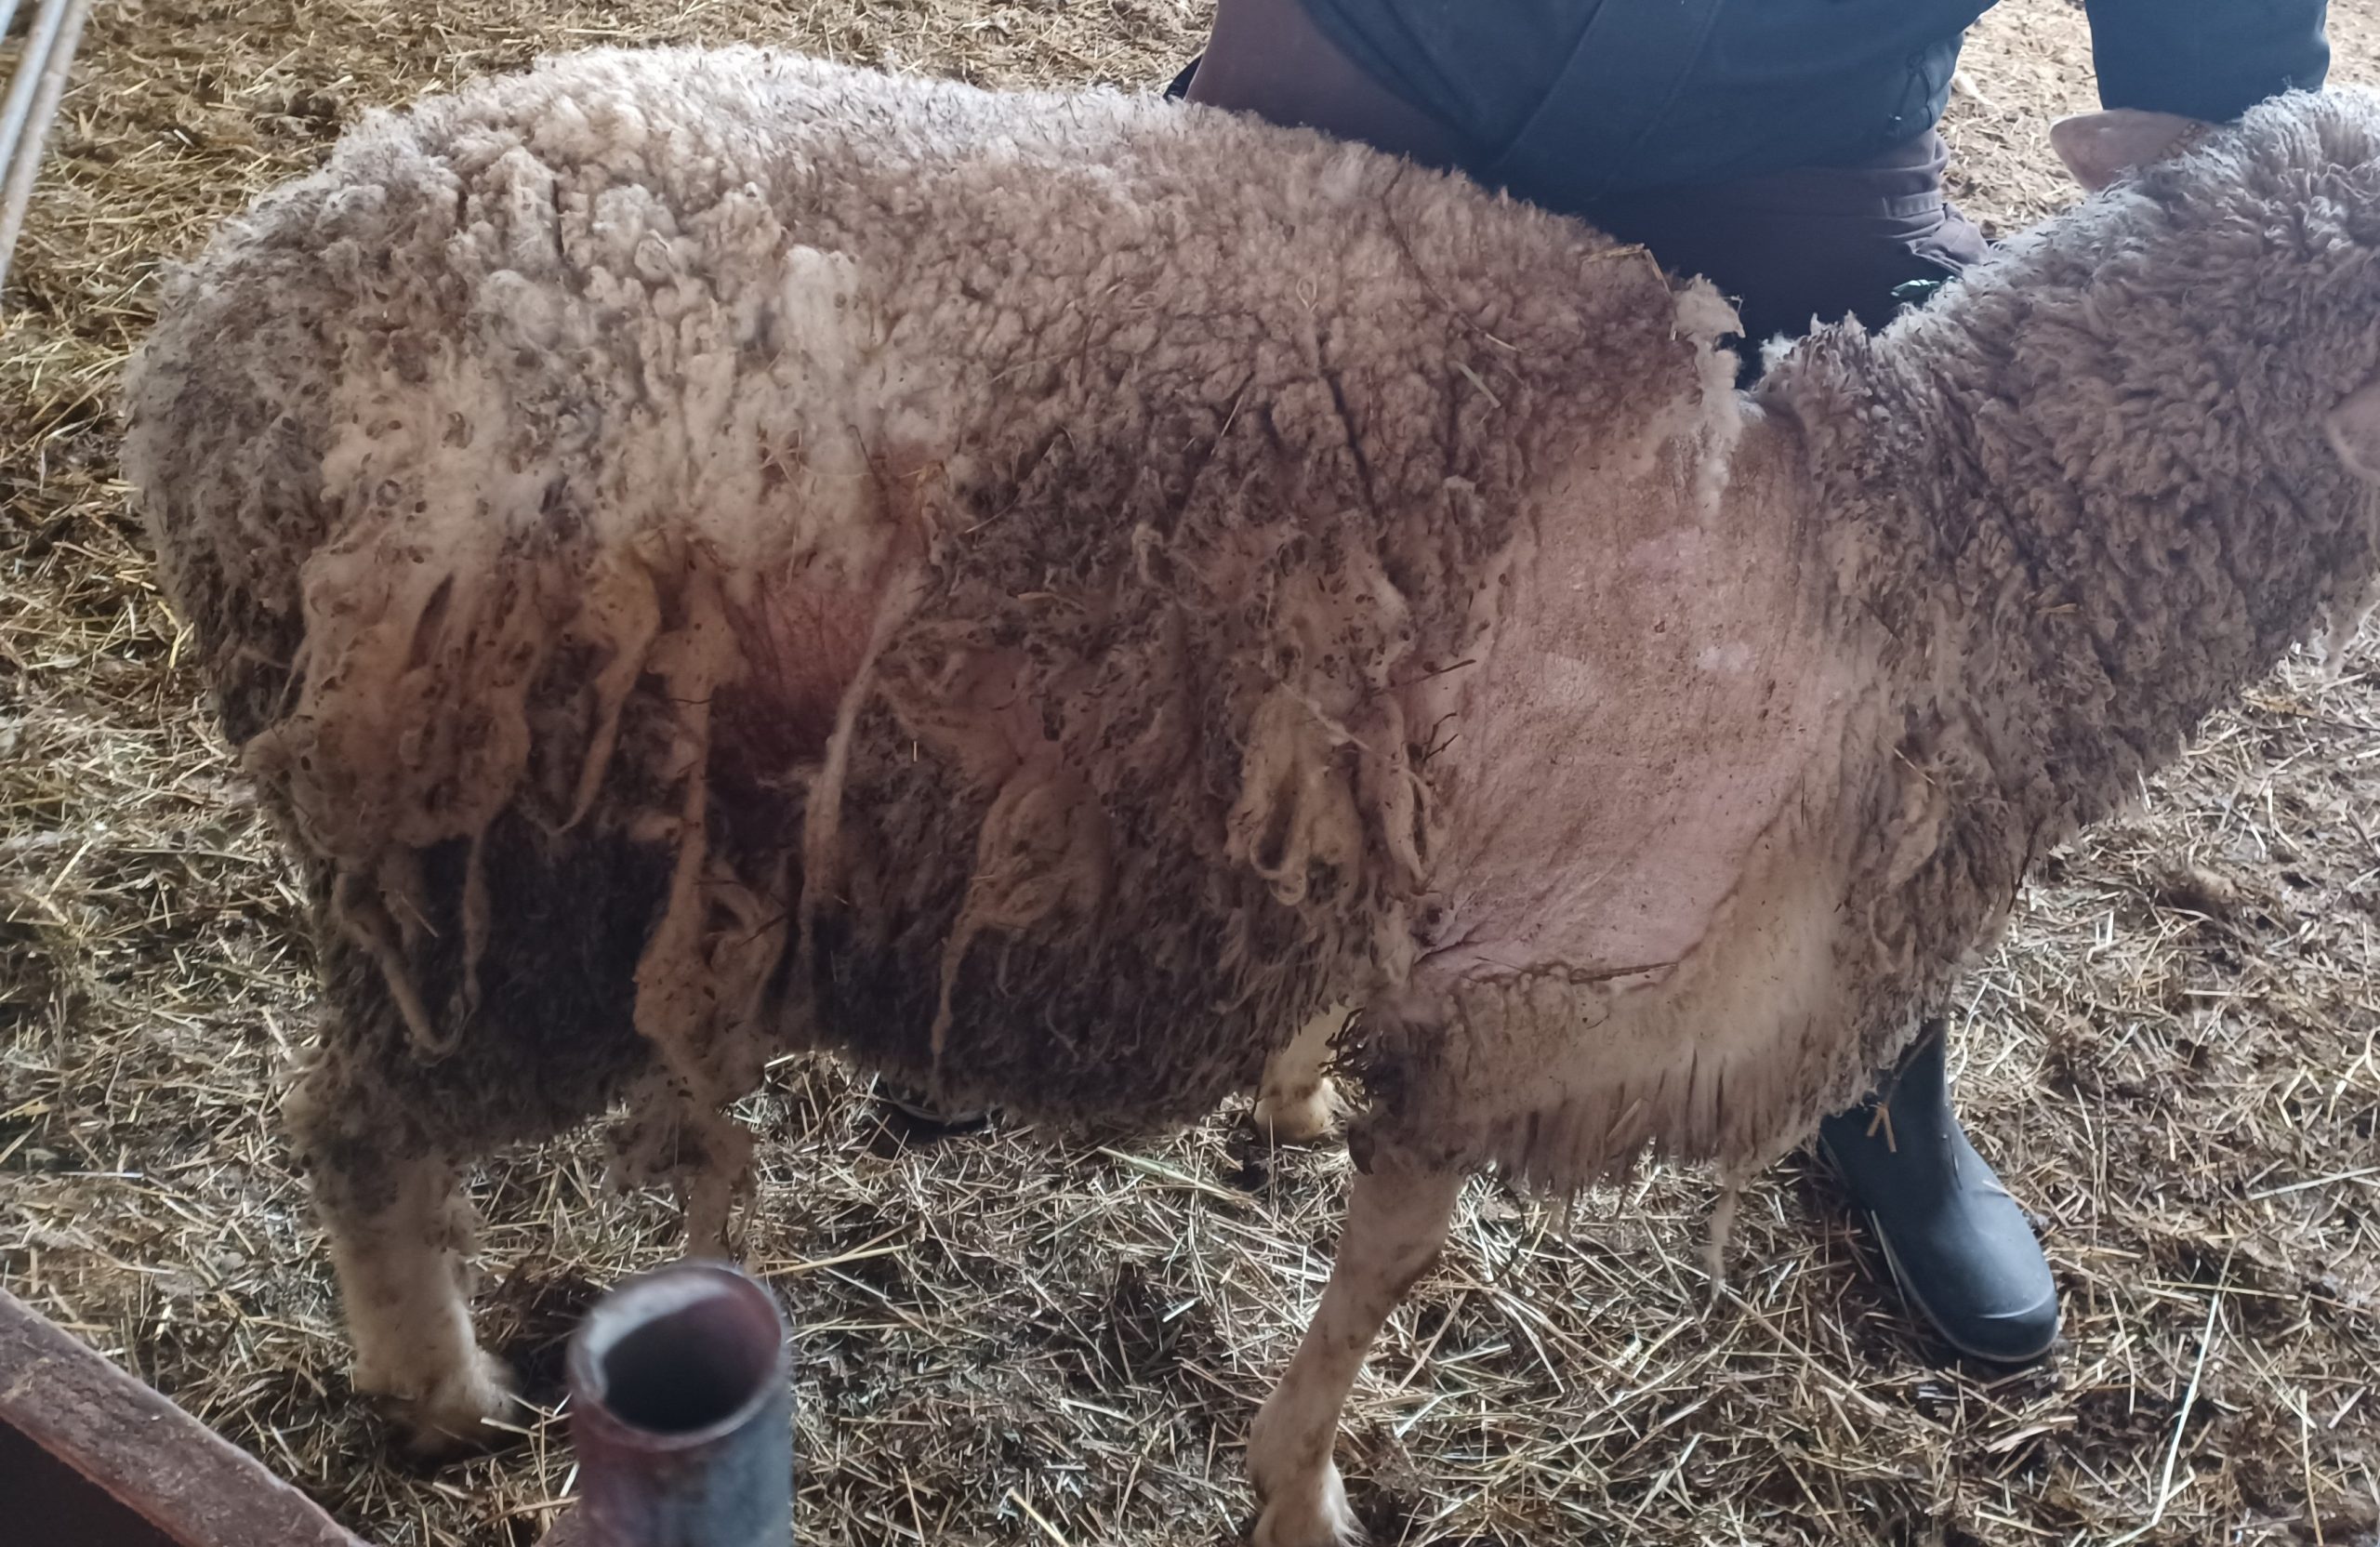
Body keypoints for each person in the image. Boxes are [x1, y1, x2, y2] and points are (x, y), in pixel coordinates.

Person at [879, 0, 2333, 1368]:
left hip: (1805, 132)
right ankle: (1015, 920)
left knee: (1919, 596)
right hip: (1397, 46)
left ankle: (1862, 1066)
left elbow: (2234, 124)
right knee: (1191, 523)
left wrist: (2235, 125)